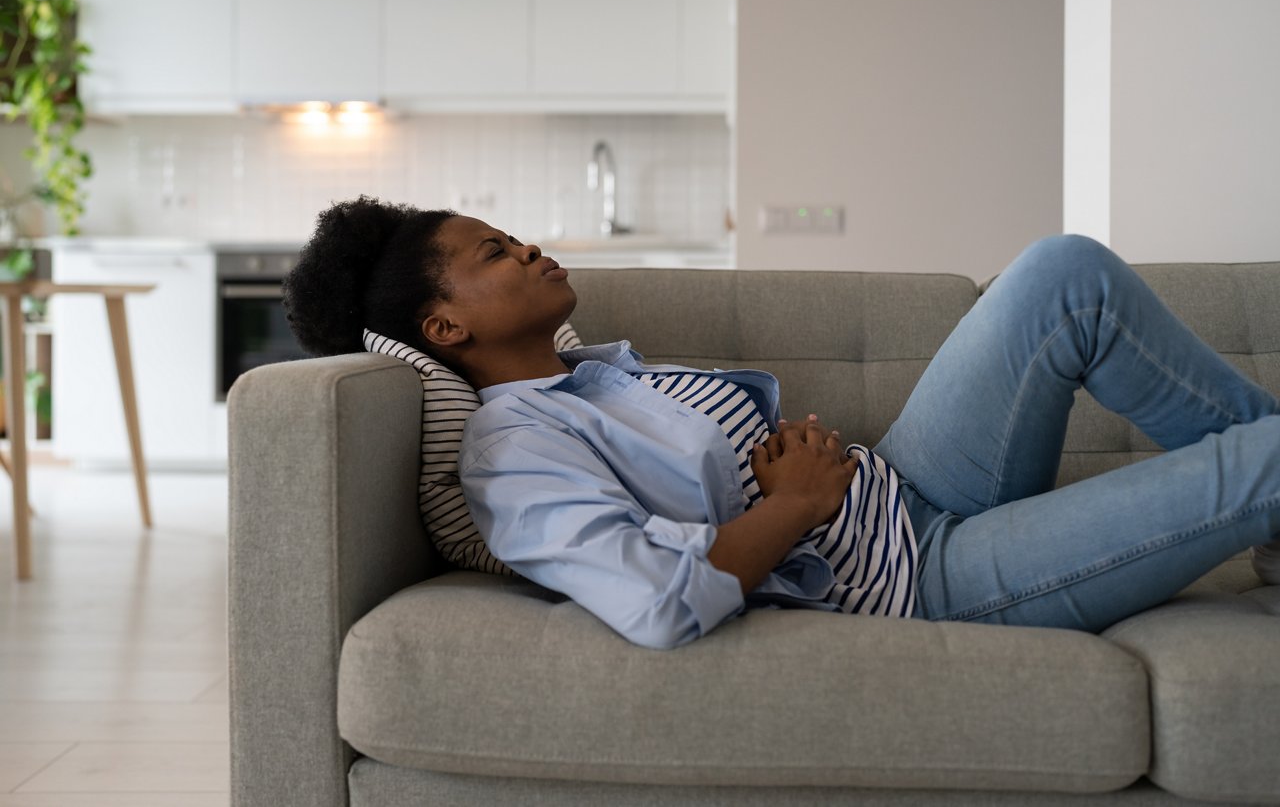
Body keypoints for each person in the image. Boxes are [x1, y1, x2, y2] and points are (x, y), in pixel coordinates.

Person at [283, 196, 1280, 650]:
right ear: (443, 325)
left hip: (905, 483)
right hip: (915, 578)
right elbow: (650, 602)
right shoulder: (513, 455)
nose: (531, 247)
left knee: (1062, 271)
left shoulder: (590, 370)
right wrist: (796, 501)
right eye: (495, 251)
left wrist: (810, 472)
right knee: (1262, 460)